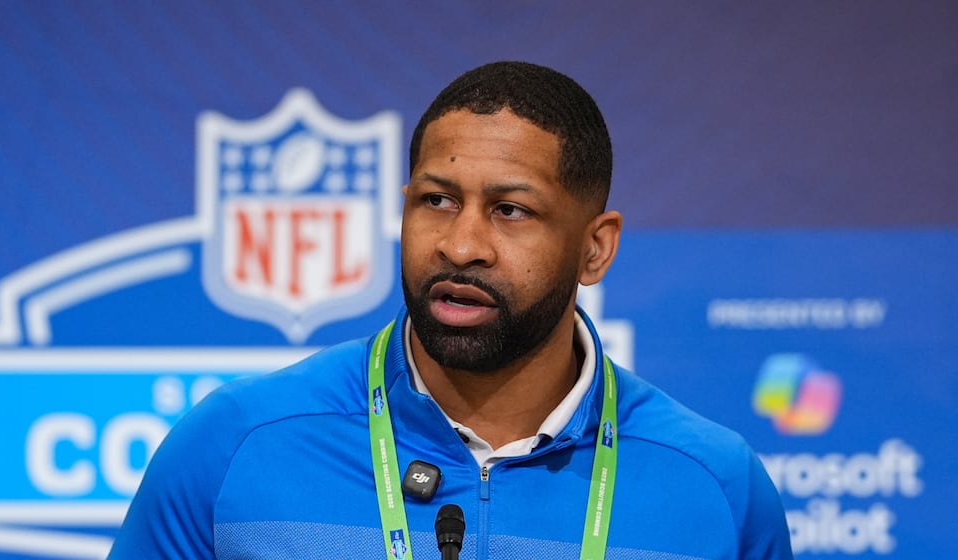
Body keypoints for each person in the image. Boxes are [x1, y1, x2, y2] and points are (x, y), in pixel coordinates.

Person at [109, 61, 793, 559]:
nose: (462, 244)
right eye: (435, 200)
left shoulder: (716, 485)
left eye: (510, 211)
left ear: (595, 248)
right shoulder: (235, 444)